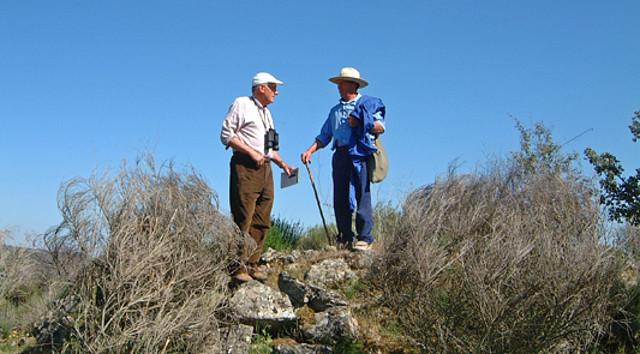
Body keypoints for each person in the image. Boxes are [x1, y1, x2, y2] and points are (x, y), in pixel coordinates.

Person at [301, 67, 386, 251]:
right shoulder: (335, 111)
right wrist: (310, 150)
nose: (338, 86)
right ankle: (345, 237)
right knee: (340, 197)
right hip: (339, 155)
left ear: (353, 85)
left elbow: (380, 127)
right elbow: (325, 135)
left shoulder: (366, 105)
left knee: (362, 194)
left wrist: (362, 122)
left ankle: (365, 238)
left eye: (342, 82)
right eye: (338, 83)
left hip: (359, 155)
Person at [221, 72, 295, 282]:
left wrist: (283, 164)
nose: (276, 92)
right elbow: (226, 135)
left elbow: (270, 149)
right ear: (261, 88)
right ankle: (238, 266)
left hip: (266, 168)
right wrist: (251, 152)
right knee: (244, 215)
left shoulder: (267, 114)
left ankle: (253, 264)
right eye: (273, 87)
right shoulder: (241, 103)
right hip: (245, 165)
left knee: (262, 217)